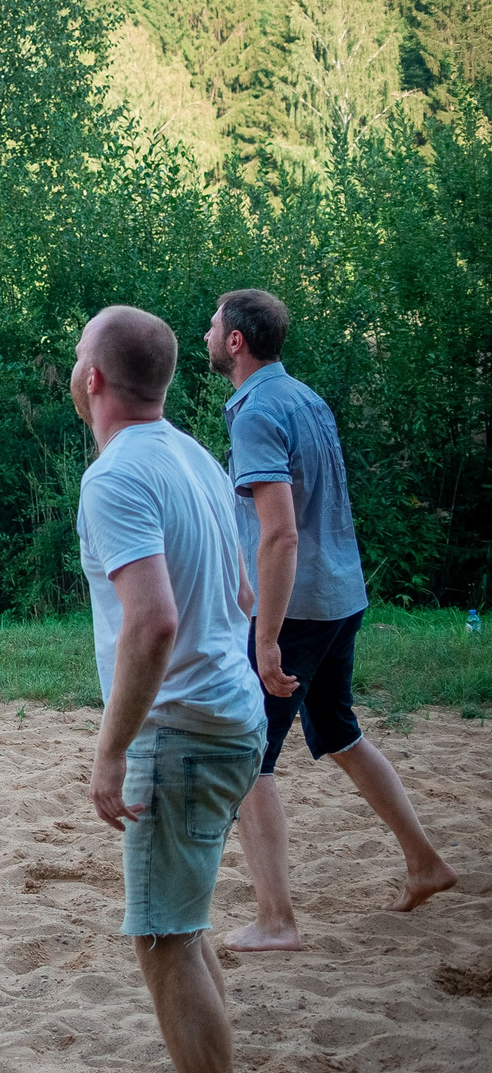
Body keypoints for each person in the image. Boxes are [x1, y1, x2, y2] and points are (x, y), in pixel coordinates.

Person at [70, 304, 263, 1073]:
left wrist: (110, 752)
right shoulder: (190, 454)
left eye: (79, 357)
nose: (75, 369)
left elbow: (154, 620)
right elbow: (237, 587)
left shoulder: (116, 476)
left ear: (96, 378)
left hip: (181, 730)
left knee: (162, 938)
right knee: (182, 925)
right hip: (229, 717)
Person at [206, 288, 454, 952]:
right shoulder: (305, 397)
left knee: (247, 756)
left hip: (298, 607)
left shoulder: (258, 410)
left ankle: (276, 918)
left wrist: (264, 635)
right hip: (342, 594)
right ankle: (425, 861)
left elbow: (280, 533)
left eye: (213, 323)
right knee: (340, 731)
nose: (206, 331)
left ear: (236, 340)